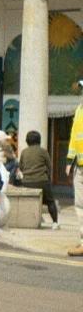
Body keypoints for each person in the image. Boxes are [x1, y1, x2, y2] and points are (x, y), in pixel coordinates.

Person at [18, 130, 59, 230]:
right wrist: (47, 178)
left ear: (27, 140)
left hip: (27, 182)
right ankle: (55, 222)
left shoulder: (24, 152)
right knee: (50, 201)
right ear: (39, 140)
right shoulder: (43, 151)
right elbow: (49, 166)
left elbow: (21, 167)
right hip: (42, 180)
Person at [66, 80, 83, 257]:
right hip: (79, 165)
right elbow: (74, 137)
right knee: (80, 206)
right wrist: (69, 161)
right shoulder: (79, 110)